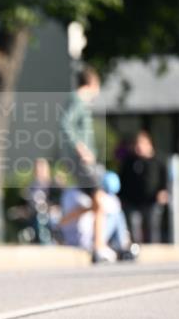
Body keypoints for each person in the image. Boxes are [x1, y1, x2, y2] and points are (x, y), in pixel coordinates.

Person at [59, 65, 114, 263]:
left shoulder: (78, 101)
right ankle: (99, 247)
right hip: (81, 163)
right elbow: (65, 124)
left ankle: (61, 225)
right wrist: (81, 148)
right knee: (100, 201)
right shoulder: (77, 99)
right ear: (92, 83)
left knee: (96, 204)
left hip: (81, 162)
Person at [60, 170, 138, 259]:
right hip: (86, 239)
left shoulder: (69, 193)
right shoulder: (83, 195)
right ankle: (120, 246)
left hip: (77, 237)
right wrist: (91, 207)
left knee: (113, 213)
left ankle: (119, 245)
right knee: (116, 214)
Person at [119, 130, 168, 244]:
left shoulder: (158, 160)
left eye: (141, 143)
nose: (138, 147)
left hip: (152, 201)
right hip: (132, 202)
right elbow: (123, 180)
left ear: (149, 144)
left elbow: (165, 180)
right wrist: (121, 198)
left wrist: (163, 192)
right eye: (137, 144)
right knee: (133, 227)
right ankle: (136, 250)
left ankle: (153, 251)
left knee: (152, 227)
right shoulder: (130, 161)